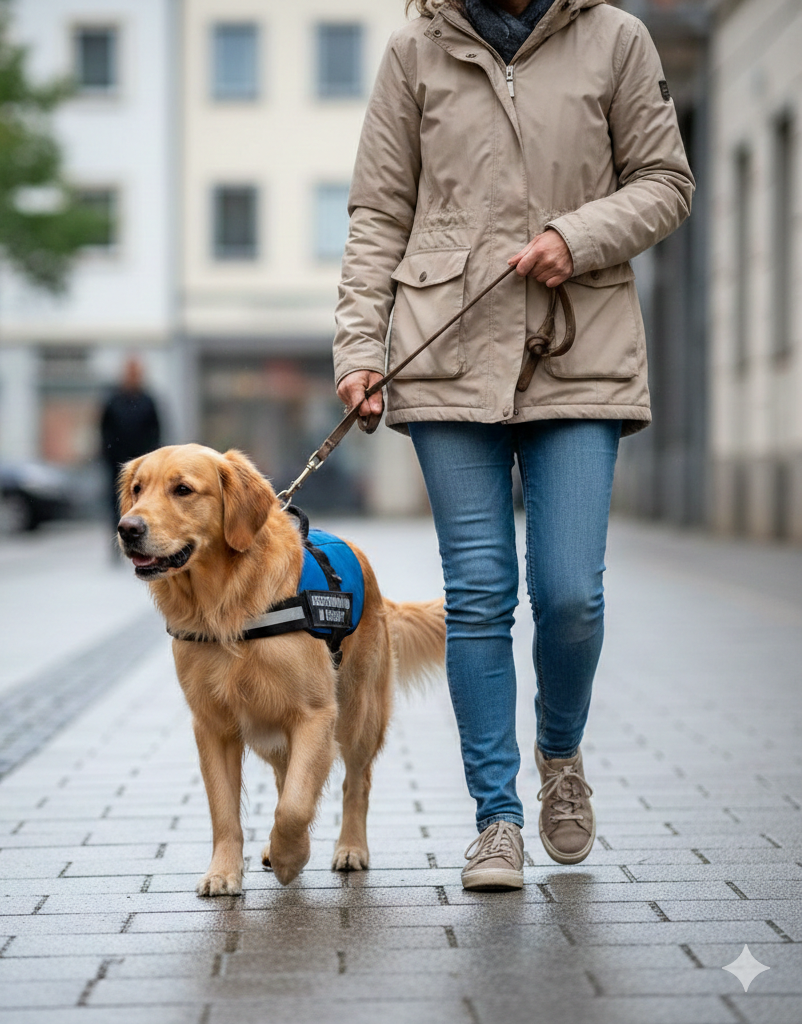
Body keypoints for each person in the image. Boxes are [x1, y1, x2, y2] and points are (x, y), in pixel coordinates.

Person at [334, 0, 693, 890]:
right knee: (481, 590)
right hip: (445, 350)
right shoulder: (416, 48)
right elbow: (379, 212)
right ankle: (495, 820)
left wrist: (577, 236)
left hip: (580, 346)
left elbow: (666, 181)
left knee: (570, 592)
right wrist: (358, 349)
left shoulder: (617, 37)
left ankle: (559, 756)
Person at [100, 358, 161, 547]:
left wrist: (152, 460)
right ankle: (118, 542)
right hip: (117, 465)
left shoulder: (148, 400)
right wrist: (111, 457)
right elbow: (105, 432)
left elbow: (156, 432)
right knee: (117, 504)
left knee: (146, 502)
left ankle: (146, 537)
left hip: (144, 466)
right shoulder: (113, 400)